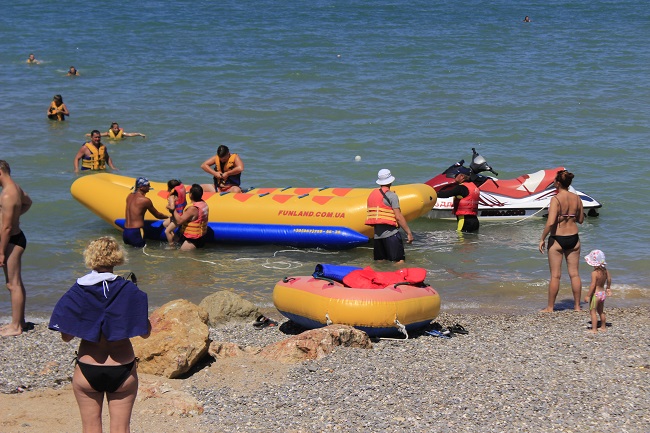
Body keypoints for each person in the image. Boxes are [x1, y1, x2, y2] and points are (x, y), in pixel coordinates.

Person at [48, 236, 151, 433]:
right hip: (122, 366)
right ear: (118, 257)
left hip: (88, 367)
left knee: (90, 427)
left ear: (90, 258)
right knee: (121, 428)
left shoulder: (78, 290)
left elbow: (66, 336)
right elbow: (144, 333)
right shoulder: (128, 289)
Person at [539, 169, 584, 312]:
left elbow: (551, 222)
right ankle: (577, 306)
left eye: (554, 180)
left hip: (557, 238)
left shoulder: (556, 199)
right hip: (574, 238)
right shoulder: (577, 198)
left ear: (558, 183)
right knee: (574, 274)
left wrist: (542, 238)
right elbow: (581, 220)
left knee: (555, 275)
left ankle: (550, 307)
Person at [0, 161, 32, 337]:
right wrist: (15, 217)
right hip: (14, 239)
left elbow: (5, 229)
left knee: (13, 284)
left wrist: (1, 252)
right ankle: (19, 321)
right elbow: (28, 202)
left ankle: (16, 327)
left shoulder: (7, 194)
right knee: (15, 283)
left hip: (11, 241)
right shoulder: (16, 188)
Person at [365, 169, 414, 263]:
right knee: (399, 262)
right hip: (391, 235)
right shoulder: (392, 196)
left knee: (380, 262)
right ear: (391, 181)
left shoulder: (372, 195)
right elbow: (398, 217)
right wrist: (408, 233)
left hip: (377, 236)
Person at [123, 177, 167, 248]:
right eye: (147, 185)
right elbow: (158, 215)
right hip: (135, 232)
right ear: (141, 187)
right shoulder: (145, 200)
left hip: (125, 231)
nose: (149, 187)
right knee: (140, 256)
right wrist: (168, 217)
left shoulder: (129, 196)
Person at [436, 166, 480, 233]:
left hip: (464, 221)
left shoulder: (461, 188)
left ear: (462, 176)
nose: (454, 176)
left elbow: (447, 194)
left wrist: (433, 193)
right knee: (472, 241)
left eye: (456, 175)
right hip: (475, 221)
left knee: (461, 240)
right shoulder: (474, 187)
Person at [583, 250, 612, 333]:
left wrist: (588, 295)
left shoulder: (594, 273)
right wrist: (608, 288)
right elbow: (609, 279)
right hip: (602, 294)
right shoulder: (605, 271)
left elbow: (593, 285)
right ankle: (603, 327)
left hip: (595, 295)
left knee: (593, 312)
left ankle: (594, 329)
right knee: (601, 311)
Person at [174, 184, 209, 251]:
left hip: (192, 240)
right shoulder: (203, 203)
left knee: (181, 256)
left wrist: (173, 210)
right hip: (201, 237)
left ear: (190, 195)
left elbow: (179, 221)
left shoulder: (193, 209)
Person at [162, 179, 187, 247]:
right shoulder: (179, 195)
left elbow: (172, 208)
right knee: (165, 224)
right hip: (180, 214)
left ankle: (171, 246)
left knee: (167, 231)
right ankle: (176, 238)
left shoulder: (171, 197)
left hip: (177, 217)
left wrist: (168, 206)